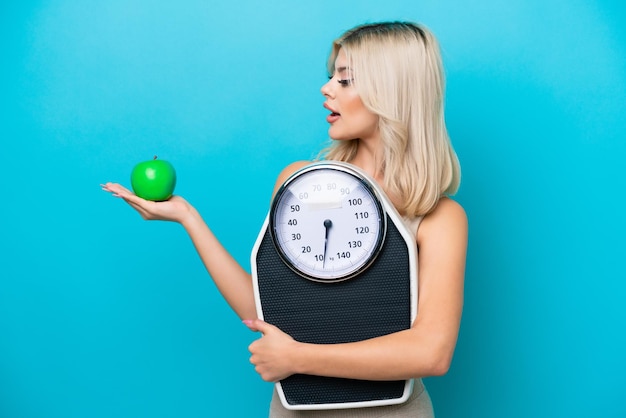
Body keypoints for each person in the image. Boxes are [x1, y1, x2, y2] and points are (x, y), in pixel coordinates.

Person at [102, 21, 467, 417]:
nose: (326, 89)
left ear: (393, 93)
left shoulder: (439, 217)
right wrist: (187, 217)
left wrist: (297, 358)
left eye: (345, 81)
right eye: (331, 77)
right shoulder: (299, 187)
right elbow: (265, 310)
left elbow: (432, 353)